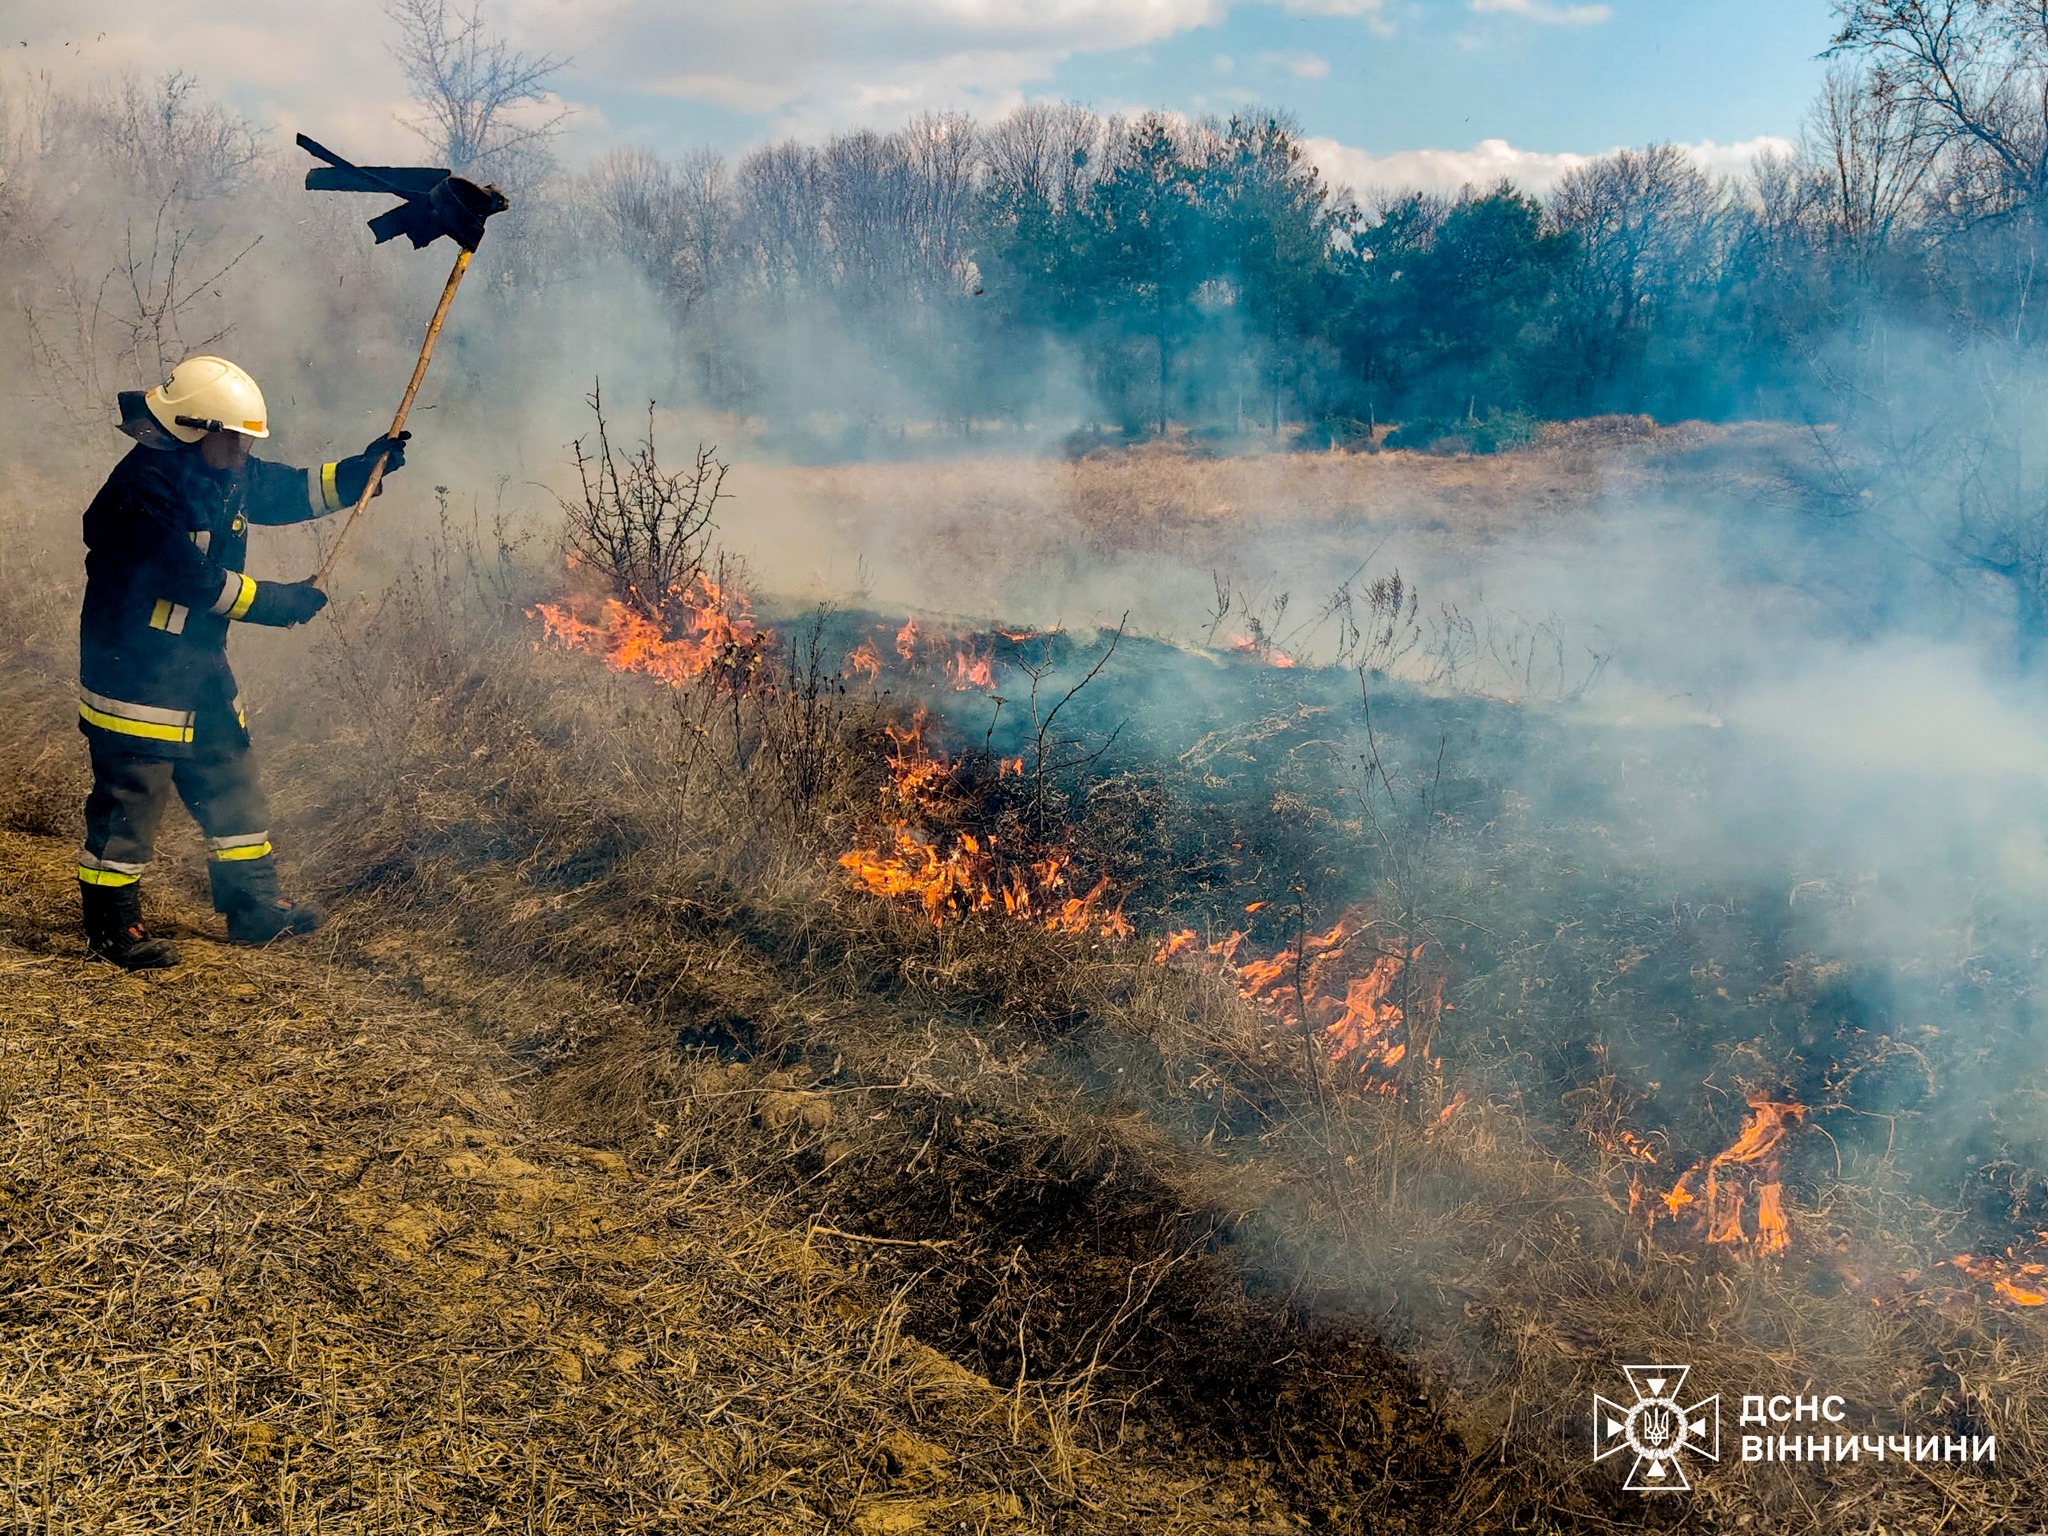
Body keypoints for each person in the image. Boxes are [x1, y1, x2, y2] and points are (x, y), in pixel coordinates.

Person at [76, 354, 409, 969]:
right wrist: (282, 602)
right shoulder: (141, 492)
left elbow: (286, 490)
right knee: (132, 798)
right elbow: (195, 581)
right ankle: (112, 929)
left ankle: (252, 908)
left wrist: (364, 471)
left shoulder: (217, 470)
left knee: (231, 779)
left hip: (197, 668)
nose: (241, 452)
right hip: (135, 672)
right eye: (233, 438)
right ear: (193, 428)